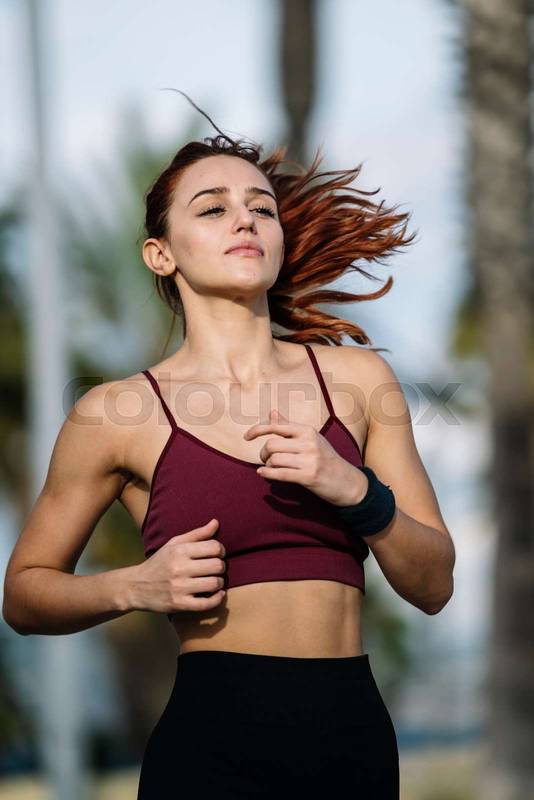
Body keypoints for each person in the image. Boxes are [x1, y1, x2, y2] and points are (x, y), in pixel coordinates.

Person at [3, 92, 456, 798]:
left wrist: (357, 492)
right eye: (212, 208)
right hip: (211, 749)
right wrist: (136, 585)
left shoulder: (358, 380)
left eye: (262, 208)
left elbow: (434, 584)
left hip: (354, 742)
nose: (245, 218)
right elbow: (24, 594)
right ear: (160, 254)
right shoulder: (117, 413)